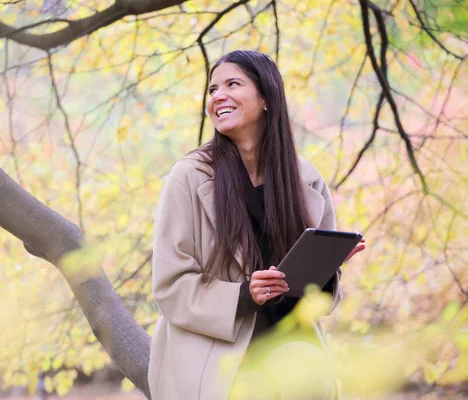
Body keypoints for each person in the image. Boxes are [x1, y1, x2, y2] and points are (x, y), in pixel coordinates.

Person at [147, 50, 365, 399]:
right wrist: (245, 295)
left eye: (232, 84)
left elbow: (315, 302)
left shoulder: (307, 180)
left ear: (265, 97)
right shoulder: (188, 177)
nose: (218, 96)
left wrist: (326, 268)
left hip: (294, 356)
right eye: (212, 89)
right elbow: (170, 286)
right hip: (218, 359)